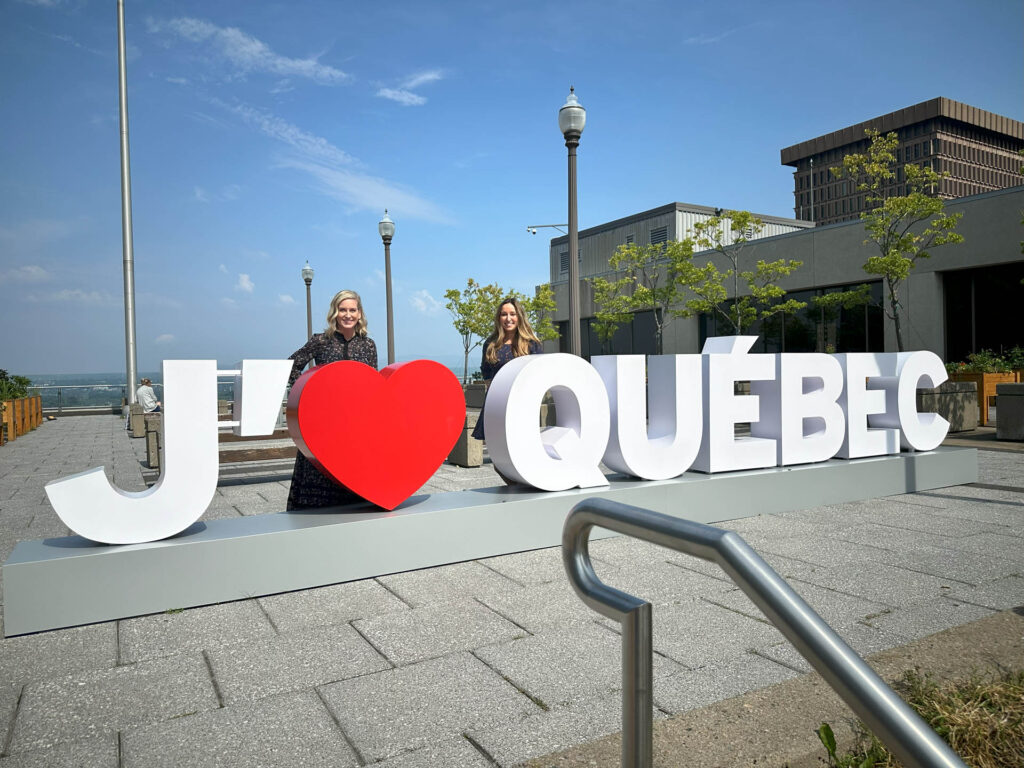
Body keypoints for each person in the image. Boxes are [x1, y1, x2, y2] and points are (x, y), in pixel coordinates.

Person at [286, 289, 377, 510]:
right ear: (335, 313)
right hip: (324, 421)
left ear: (360, 313)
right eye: (343, 310)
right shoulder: (321, 341)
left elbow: (372, 382)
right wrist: (309, 393)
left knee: (353, 474)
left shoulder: (368, 345)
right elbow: (290, 366)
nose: (348, 315)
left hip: (355, 422)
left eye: (352, 310)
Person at [471, 297, 543, 441]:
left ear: (519, 317)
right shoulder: (490, 344)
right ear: (499, 318)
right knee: (498, 453)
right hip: (496, 405)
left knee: (520, 450)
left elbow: (538, 375)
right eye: (504, 314)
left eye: (512, 314)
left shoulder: (532, 344)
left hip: (522, 405)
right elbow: (486, 375)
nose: (508, 318)